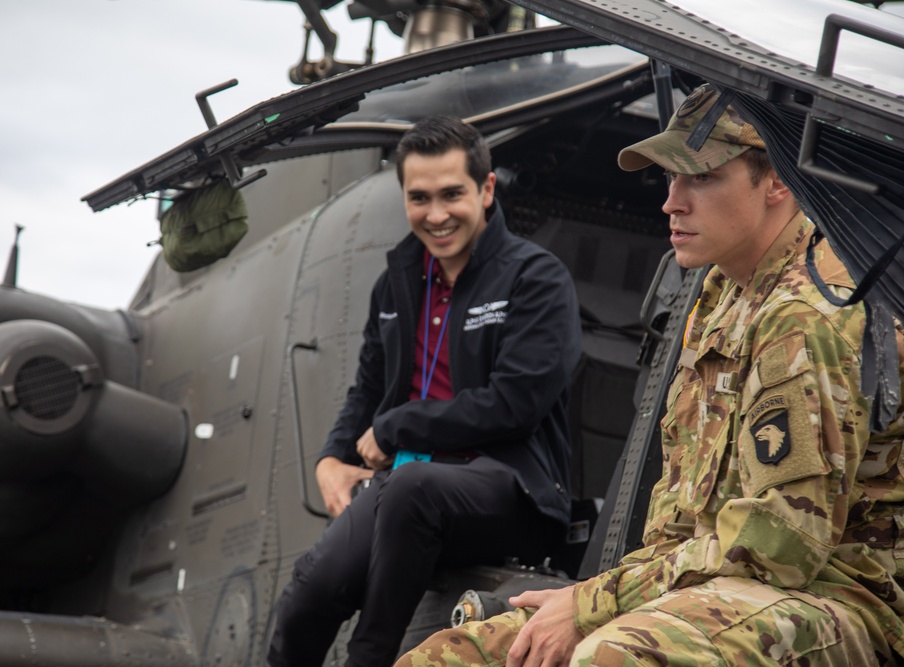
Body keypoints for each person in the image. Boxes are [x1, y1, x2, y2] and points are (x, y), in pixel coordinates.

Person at [397, 85, 904, 666]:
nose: (672, 203)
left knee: (613, 656)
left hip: (836, 601)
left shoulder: (808, 311)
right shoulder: (720, 293)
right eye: (669, 178)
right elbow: (679, 527)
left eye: (702, 178)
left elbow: (780, 547)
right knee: (452, 655)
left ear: (779, 181)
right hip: (716, 587)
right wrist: (590, 601)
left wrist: (595, 605)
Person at [267, 115, 582, 667]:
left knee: (413, 487)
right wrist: (332, 458)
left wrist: (396, 427)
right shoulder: (397, 281)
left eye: (452, 194)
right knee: (307, 595)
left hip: (512, 491)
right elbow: (368, 384)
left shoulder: (536, 277)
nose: (436, 215)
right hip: (404, 488)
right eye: (419, 198)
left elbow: (516, 405)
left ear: (486, 191)